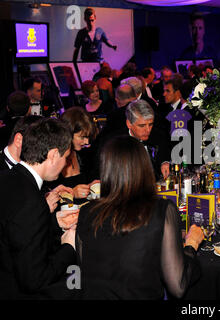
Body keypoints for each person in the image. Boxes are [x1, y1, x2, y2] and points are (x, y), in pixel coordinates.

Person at [75, 135, 204, 299]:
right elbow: (178, 286)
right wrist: (192, 244)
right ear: (144, 167)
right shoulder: (161, 210)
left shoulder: (87, 212)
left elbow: (82, 275)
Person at [0, 118, 76, 299]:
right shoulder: (33, 202)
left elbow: (16, 233)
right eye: (66, 158)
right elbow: (34, 279)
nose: (66, 164)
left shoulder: (5, 177)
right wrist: (69, 248)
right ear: (53, 155)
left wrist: (54, 223)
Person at [46, 107, 99, 201]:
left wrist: (91, 186)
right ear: (68, 134)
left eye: (88, 137)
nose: (87, 142)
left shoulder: (84, 154)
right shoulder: (51, 158)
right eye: (82, 137)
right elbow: (45, 199)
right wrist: (72, 194)